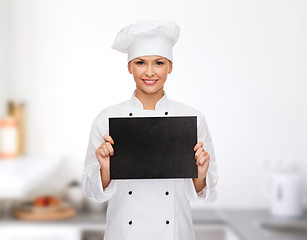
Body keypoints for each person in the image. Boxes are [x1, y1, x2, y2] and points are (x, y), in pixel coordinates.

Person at [82, 20, 218, 240]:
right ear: (129, 67)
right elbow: (91, 191)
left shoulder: (192, 119)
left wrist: (200, 174)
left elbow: (205, 193)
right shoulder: (106, 119)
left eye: (159, 63)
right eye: (140, 63)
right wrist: (106, 168)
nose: (150, 72)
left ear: (170, 67)